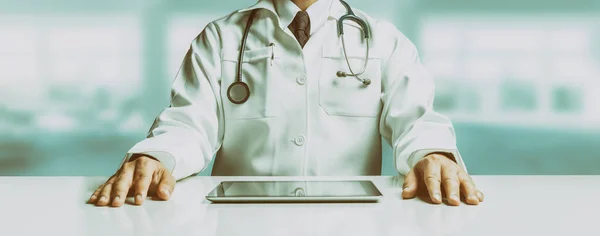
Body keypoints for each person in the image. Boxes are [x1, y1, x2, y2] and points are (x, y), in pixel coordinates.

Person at [88, 0, 484, 207]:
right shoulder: (221, 38)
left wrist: (431, 154)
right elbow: (189, 124)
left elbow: (415, 121)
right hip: (240, 222)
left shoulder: (383, 40)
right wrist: (157, 158)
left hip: (350, 223)